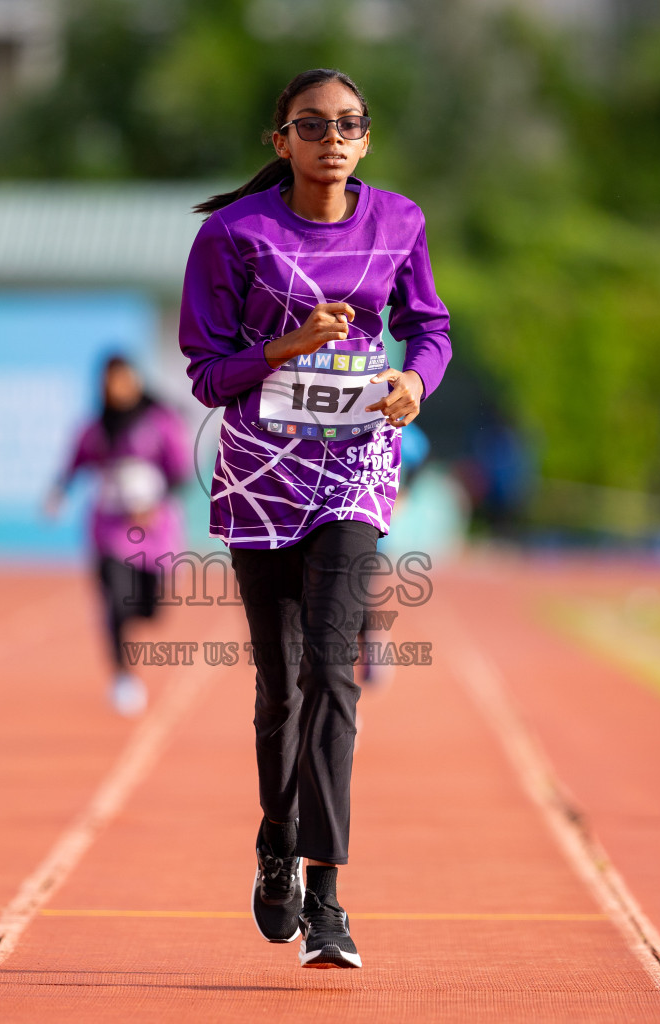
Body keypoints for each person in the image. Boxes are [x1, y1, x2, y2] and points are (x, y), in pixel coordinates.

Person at [181, 68, 451, 969]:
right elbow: (208, 376)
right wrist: (287, 348)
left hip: (356, 469)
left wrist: (416, 380)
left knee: (337, 677)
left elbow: (432, 329)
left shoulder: (400, 222)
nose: (331, 138)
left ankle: (328, 895)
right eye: (312, 124)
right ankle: (274, 841)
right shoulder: (233, 237)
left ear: (365, 139)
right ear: (281, 140)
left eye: (348, 124)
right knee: (282, 691)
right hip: (261, 477)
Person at [48, 356, 191, 717]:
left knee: (148, 609)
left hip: (154, 532)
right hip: (109, 529)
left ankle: (141, 617)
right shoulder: (95, 428)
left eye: (123, 380)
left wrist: (155, 502)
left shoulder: (160, 422)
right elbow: (74, 463)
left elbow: (181, 473)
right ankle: (123, 676)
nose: (117, 388)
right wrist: (58, 492)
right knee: (114, 601)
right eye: (109, 382)